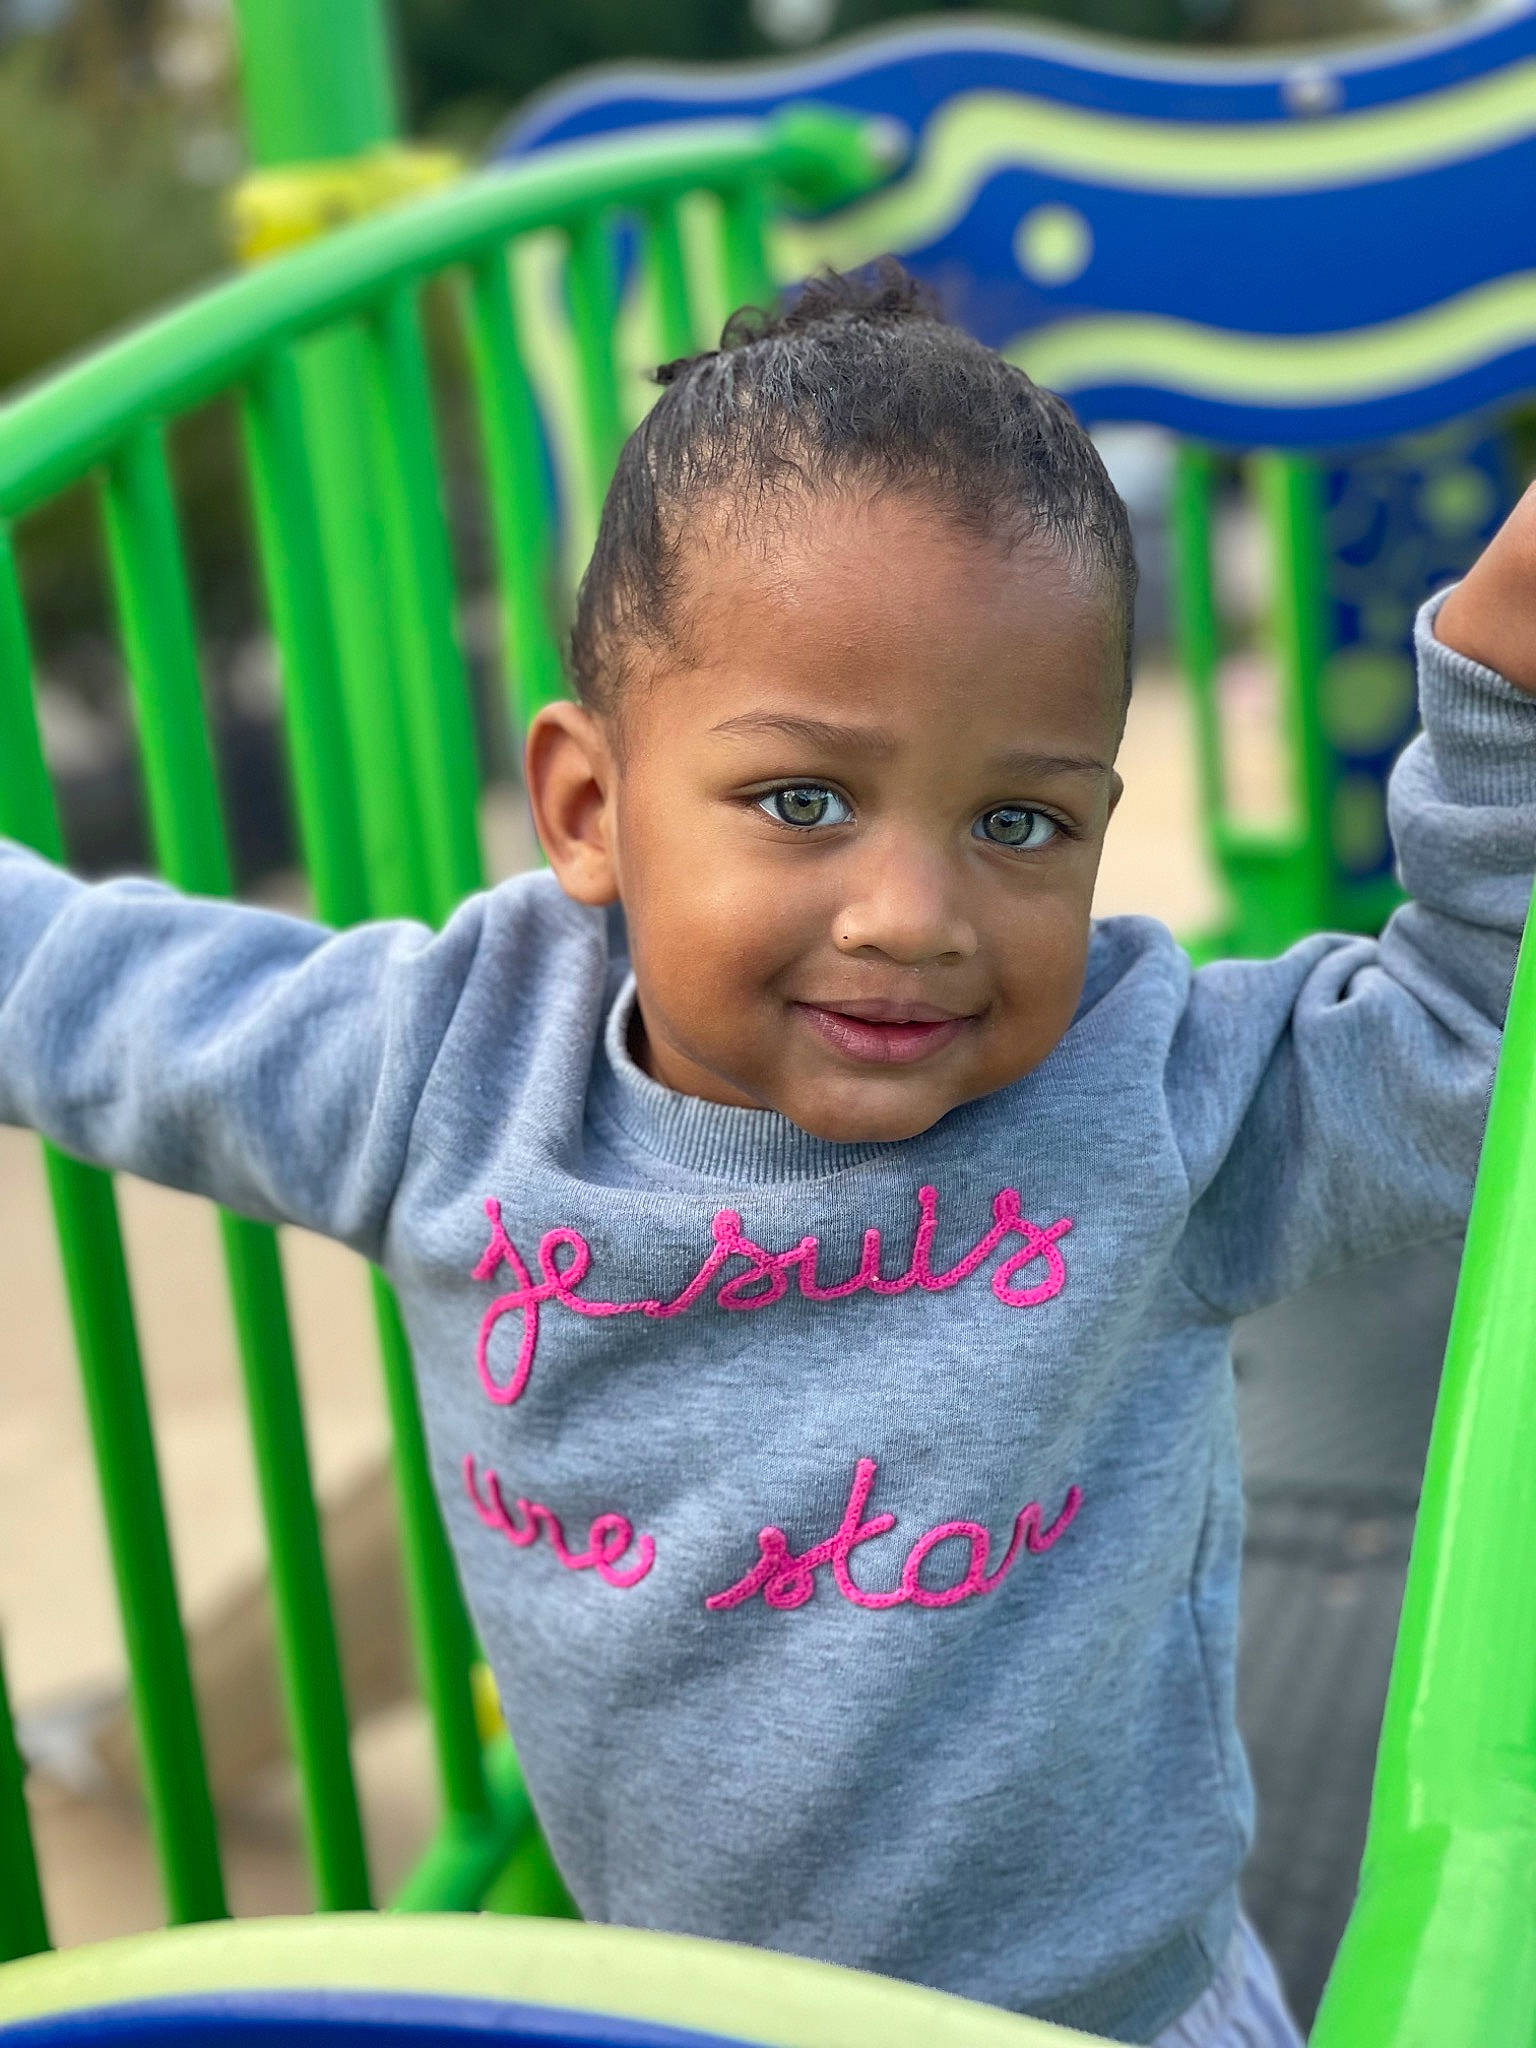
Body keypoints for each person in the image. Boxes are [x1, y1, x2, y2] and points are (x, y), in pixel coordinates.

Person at [3, 262, 1533, 2047]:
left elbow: (1463, 1046)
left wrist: (1498, 698)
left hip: (1101, 2019)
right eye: (804, 800)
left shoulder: (1153, 1094)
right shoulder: (448, 1070)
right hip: (677, 2013)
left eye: (1019, 820)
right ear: (588, 806)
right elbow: (80, 994)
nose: (912, 916)